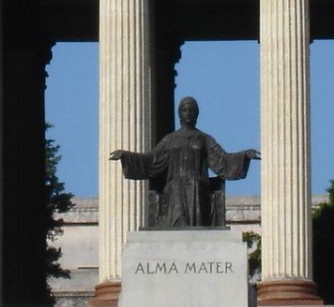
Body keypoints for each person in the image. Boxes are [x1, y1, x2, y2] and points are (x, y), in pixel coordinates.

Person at [110, 96, 258, 228]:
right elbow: (151, 159)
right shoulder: (170, 140)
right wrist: (126, 156)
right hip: (174, 187)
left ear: (197, 114)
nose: (188, 113)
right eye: (185, 110)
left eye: (192, 110)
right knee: (176, 187)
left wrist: (244, 155)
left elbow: (222, 160)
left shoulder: (204, 139)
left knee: (193, 185)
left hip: (197, 187)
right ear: (180, 114)